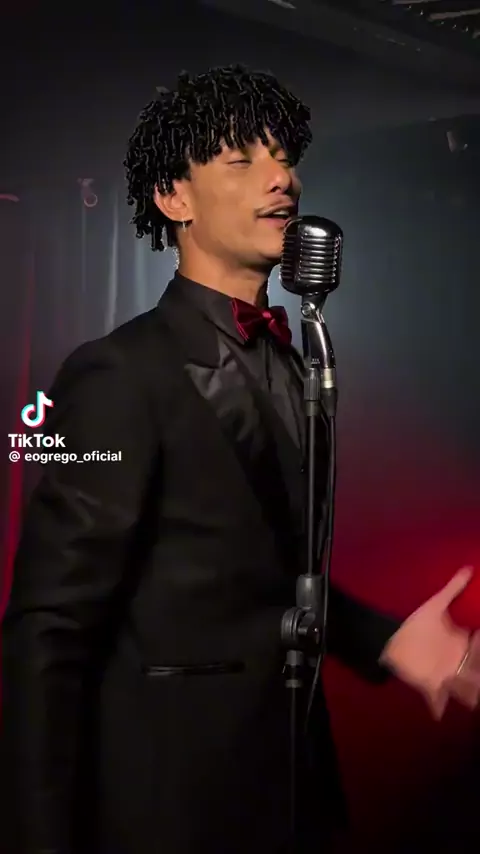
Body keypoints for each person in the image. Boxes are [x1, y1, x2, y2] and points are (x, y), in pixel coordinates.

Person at [1, 64, 479, 854]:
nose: (282, 178)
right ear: (174, 198)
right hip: (170, 813)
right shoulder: (117, 373)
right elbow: (49, 629)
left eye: (284, 158)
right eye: (242, 160)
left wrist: (386, 640)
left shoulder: (300, 361)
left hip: (292, 797)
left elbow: (262, 572)